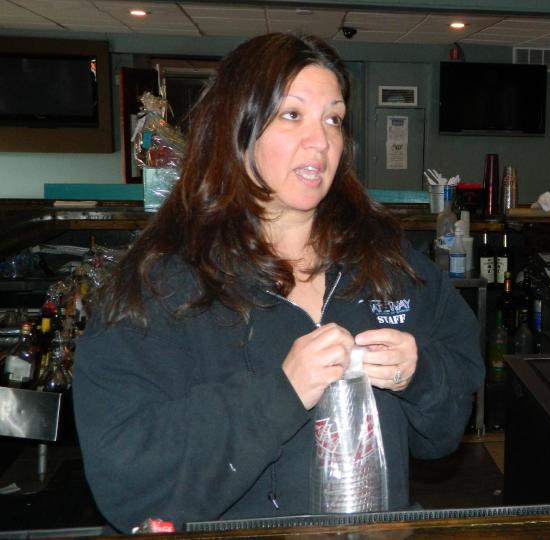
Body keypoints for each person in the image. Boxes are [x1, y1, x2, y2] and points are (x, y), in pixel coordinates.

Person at [73, 32, 484, 533]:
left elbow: (443, 429)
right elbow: (127, 481)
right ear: (236, 127)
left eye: (333, 118)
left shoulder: (387, 262)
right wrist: (280, 392)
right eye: (292, 115)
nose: (322, 140)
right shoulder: (160, 284)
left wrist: (418, 373)